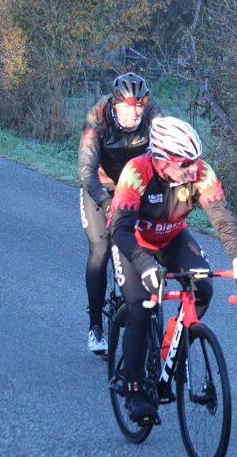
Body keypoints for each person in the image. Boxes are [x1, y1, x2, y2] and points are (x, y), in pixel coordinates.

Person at [108, 116, 237, 424]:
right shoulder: (136, 172)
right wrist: (145, 265)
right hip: (133, 242)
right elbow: (119, 229)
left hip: (173, 237)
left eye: (196, 160)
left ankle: (169, 351)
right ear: (161, 160)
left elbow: (222, 218)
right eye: (185, 164)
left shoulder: (201, 171)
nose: (193, 169)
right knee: (141, 305)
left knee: (202, 289)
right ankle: (134, 389)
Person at [78, 72, 161, 354]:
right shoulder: (97, 117)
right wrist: (105, 202)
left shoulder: (151, 115)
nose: (135, 112)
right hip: (101, 186)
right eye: (128, 106)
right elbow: (87, 171)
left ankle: (142, 311)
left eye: (140, 106)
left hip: (135, 186)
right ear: (115, 104)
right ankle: (95, 325)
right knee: (101, 248)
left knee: (147, 240)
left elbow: (166, 154)